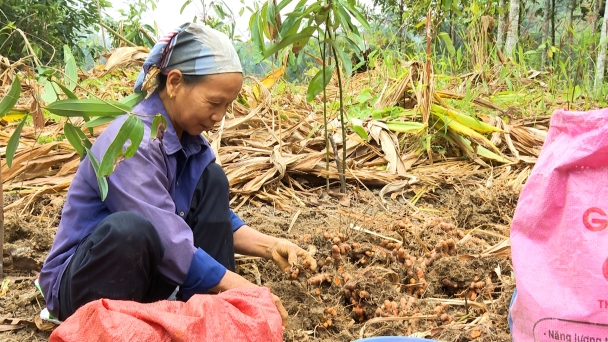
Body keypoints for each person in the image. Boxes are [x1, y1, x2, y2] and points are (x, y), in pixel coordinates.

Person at [39, 22, 317, 324]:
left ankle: (215, 316)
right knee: (130, 230)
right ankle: (105, 327)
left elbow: (217, 218)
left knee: (212, 180)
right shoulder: (132, 142)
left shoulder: (191, 144)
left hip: (142, 279)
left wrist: (271, 246)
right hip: (86, 284)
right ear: (173, 82)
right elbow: (168, 238)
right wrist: (247, 291)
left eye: (227, 106)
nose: (218, 116)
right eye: (213, 102)